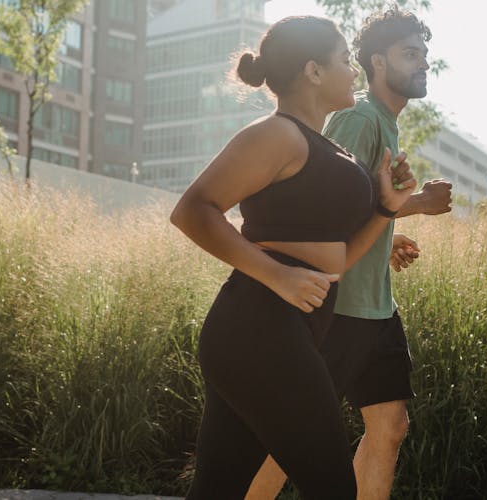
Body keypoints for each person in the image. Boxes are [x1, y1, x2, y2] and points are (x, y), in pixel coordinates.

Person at [170, 15, 418, 500]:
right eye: (345, 61)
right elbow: (192, 211)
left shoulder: (326, 147)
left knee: (217, 491)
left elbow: (340, 259)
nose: (353, 72)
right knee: (331, 485)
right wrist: (278, 276)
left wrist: (387, 206)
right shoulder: (278, 135)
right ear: (313, 71)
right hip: (258, 325)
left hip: (283, 328)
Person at [247, 7, 453, 500]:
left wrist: (384, 244)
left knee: (390, 427)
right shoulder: (360, 119)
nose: (422, 63)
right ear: (377, 62)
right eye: (410, 54)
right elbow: (322, 203)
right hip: (339, 309)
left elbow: (364, 208)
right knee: (290, 438)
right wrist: (420, 204)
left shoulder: (386, 122)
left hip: (377, 307)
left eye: (424, 55)